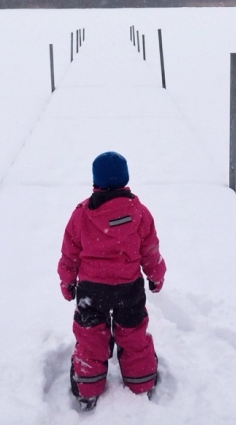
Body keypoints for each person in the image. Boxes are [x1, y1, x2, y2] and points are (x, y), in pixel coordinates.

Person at [57, 151, 166, 411]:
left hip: (92, 290)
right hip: (128, 288)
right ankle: (141, 380)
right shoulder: (139, 213)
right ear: (125, 179)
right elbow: (150, 251)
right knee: (132, 332)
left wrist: (67, 281)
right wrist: (155, 275)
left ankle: (87, 384)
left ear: (95, 181)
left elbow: (69, 253)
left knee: (91, 336)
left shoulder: (82, 215)